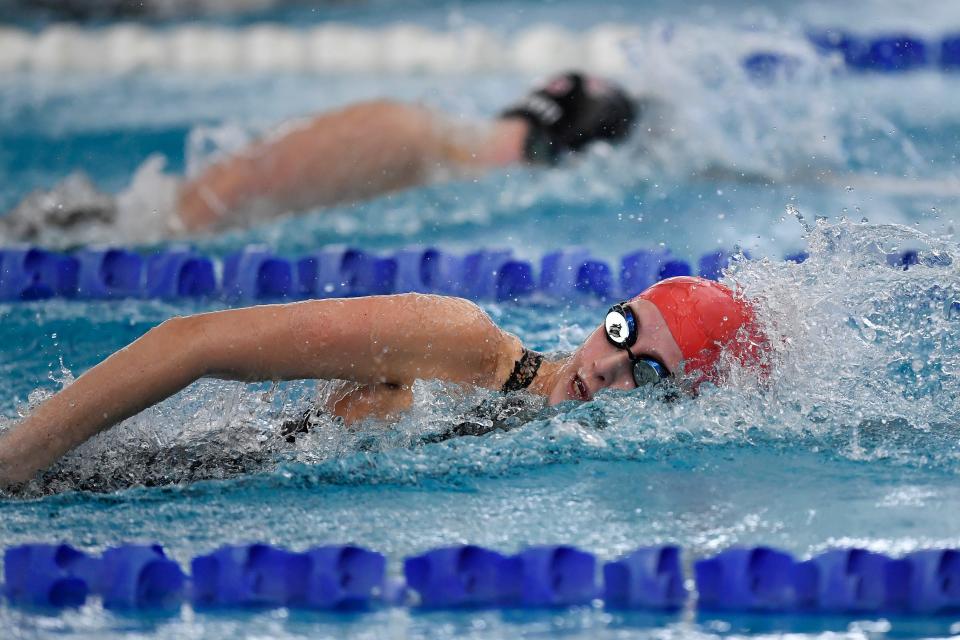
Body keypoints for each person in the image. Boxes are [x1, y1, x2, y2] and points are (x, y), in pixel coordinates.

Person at [0, 276, 767, 490]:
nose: (605, 364)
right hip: (96, 478)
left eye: (649, 373)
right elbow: (193, 342)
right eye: (622, 331)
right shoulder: (460, 343)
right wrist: (18, 455)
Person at [0, 72, 637, 241]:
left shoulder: (443, 163)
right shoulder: (404, 134)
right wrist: (147, 249)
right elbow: (215, 195)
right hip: (101, 231)